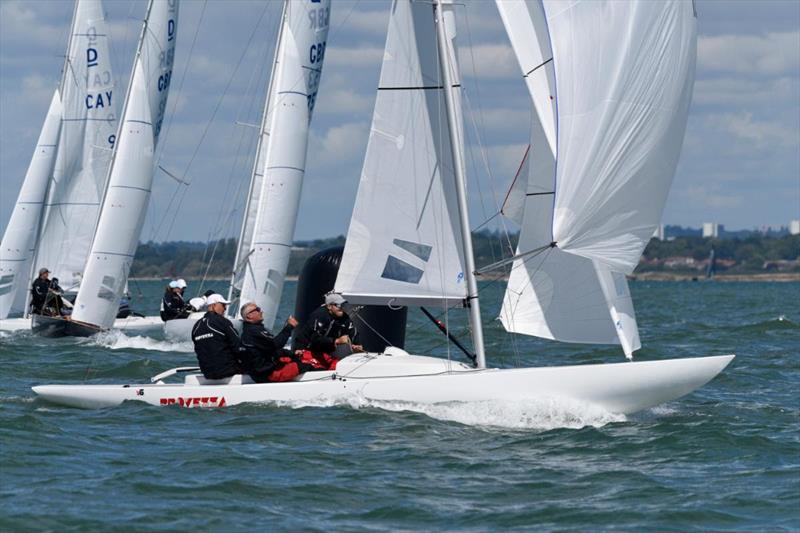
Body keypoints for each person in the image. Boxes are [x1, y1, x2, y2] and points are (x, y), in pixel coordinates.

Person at [239, 302, 312, 382]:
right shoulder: (254, 332)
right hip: (267, 374)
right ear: (249, 316)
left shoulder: (250, 330)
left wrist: (292, 354)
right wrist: (289, 327)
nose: (261, 311)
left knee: (294, 359)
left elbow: (271, 348)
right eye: (257, 309)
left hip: (263, 370)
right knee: (307, 366)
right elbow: (276, 344)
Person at [191, 294, 248, 379]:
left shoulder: (196, 326)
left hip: (207, 373)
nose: (225, 308)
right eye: (223, 305)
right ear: (213, 305)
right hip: (227, 370)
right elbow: (237, 347)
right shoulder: (222, 322)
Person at [292, 292, 363, 354]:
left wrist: (357, 344)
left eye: (343, 305)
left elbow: (352, 332)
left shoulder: (344, 317)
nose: (341, 308)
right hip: (306, 349)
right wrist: (336, 341)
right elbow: (315, 339)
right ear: (329, 306)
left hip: (325, 351)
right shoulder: (319, 315)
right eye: (338, 305)